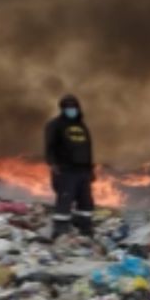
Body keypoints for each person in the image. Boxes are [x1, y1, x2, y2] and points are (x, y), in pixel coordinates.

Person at [45, 94, 95, 239]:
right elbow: (50, 147)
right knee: (64, 201)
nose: (71, 109)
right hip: (66, 170)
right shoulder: (55, 125)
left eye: (73, 106)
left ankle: (85, 228)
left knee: (86, 201)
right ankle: (60, 230)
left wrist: (90, 169)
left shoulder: (82, 126)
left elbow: (87, 148)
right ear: (62, 109)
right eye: (67, 107)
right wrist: (53, 164)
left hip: (83, 171)